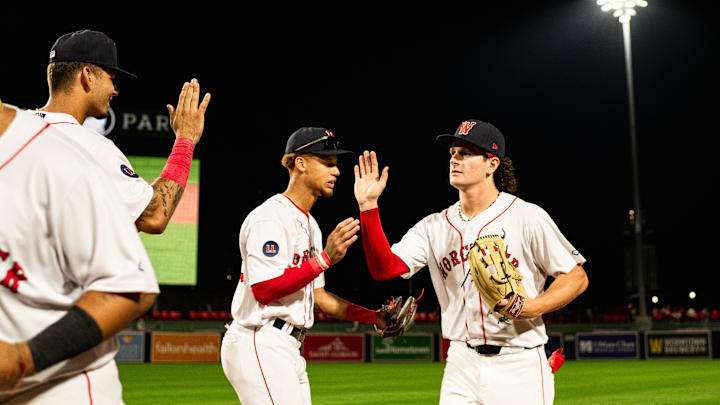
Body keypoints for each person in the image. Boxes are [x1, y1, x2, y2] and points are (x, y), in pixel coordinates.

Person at [353, 119, 589, 405]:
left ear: (492, 164)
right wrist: (368, 207)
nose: (455, 159)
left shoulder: (526, 216)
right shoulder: (434, 226)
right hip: (460, 362)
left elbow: (576, 277)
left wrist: (532, 307)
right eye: (453, 153)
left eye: (465, 153)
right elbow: (384, 268)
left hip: (518, 361)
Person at [0, 100, 159, 403]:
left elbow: (130, 286)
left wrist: (23, 356)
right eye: (111, 77)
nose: (116, 90)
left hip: (58, 389)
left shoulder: (63, 157)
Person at [221, 127, 390, 405]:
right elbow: (264, 290)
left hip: (288, 346)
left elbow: (320, 299)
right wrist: (323, 259)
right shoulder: (271, 217)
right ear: (300, 163)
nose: (336, 172)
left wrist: (374, 317)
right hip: (260, 339)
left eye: (336, 165)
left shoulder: (311, 225)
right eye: (328, 163)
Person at [35, 29, 211, 233]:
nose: (115, 90)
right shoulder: (91, 148)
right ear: (88, 76)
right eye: (112, 79)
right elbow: (154, 216)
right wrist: (186, 139)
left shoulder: (13, 127)